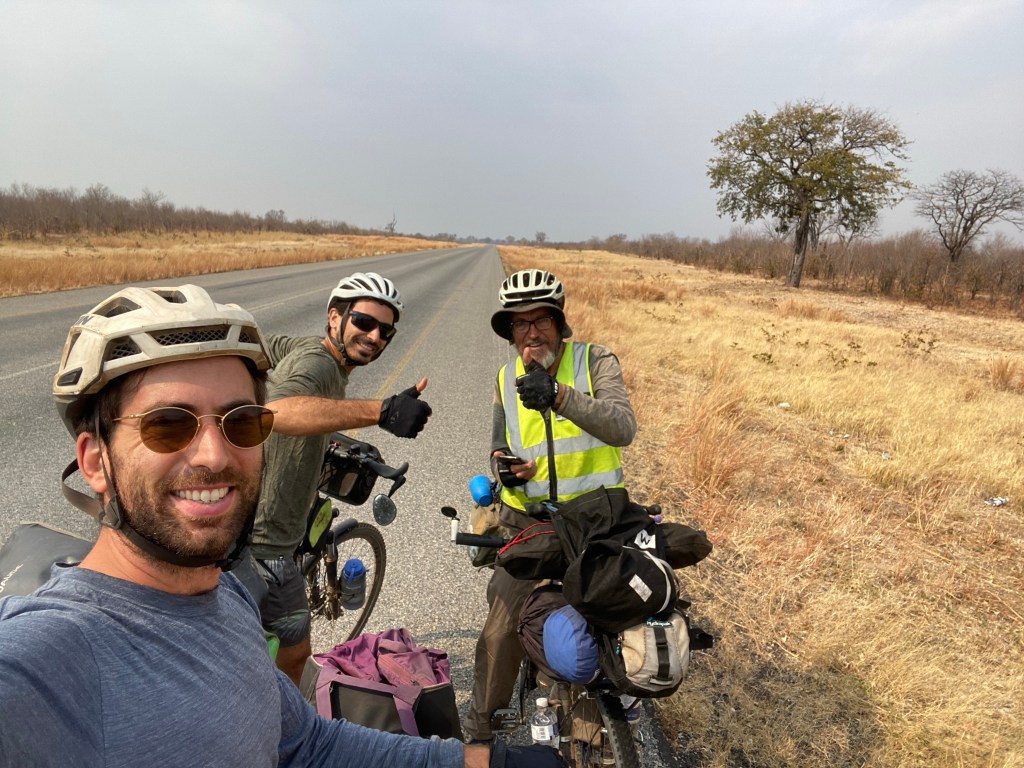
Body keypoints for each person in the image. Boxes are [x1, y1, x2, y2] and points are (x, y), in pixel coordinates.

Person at [0, 284, 561, 768]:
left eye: (243, 421)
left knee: (295, 651)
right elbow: (292, 404)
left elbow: (306, 745)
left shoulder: (224, 604)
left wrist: (484, 759)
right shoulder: (48, 658)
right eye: (168, 425)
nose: (215, 455)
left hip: (276, 557)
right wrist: (380, 410)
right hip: (266, 552)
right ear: (95, 460)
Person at [462, 269, 638, 742]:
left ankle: (604, 715)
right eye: (520, 324)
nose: (532, 332)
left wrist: (559, 395)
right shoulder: (505, 378)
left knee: (619, 624)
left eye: (542, 320)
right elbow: (498, 447)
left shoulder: (594, 361)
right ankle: (480, 737)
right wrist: (503, 467)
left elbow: (623, 426)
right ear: (510, 332)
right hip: (528, 524)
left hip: (598, 520)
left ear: (561, 325)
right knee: (500, 637)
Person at [241, 271, 432, 685]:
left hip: (250, 527)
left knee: (275, 651)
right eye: (364, 322)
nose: (375, 336)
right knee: (285, 657)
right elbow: (277, 413)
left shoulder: (307, 348)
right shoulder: (319, 365)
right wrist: (380, 411)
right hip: (264, 548)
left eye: (386, 331)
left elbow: (263, 348)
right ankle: (281, 733)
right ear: (335, 317)